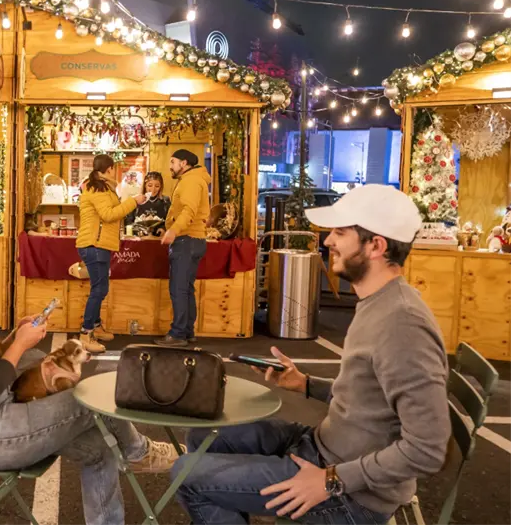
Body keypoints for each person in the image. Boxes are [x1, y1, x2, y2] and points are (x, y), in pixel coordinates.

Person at [172, 184, 450, 525]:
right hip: (322, 447)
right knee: (202, 437)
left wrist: (331, 480)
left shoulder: (403, 325)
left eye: (339, 233)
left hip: (351, 494)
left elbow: (428, 449)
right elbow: (369, 396)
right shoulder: (379, 303)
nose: (328, 241)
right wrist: (305, 384)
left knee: (186, 473)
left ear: (376, 245)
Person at [0, 210, 180, 525]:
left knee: (98, 449)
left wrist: (12, 340)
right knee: (92, 400)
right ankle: (139, 452)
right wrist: (20, 345)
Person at [75, 154, 146, 354]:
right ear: (108, 169)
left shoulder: (103, 187)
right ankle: (85, 332)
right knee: (99, 289)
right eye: (114, 168)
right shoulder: (96, 188)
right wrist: (133, 202)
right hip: (94, 244)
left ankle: (95, 325)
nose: (116, 171)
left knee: (101, 288)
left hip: (100, 244)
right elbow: (108, 215)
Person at [154, 149, 211, 347]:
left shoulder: (191, 181)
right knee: (186, 289)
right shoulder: (194, 179)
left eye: (173, 161)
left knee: (179, 289)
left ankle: (178, 334)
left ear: (184, 163)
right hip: (193, 240)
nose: (170, 166)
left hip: (186, 241)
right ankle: (187, 331)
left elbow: (189, 210)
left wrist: (173, 230)